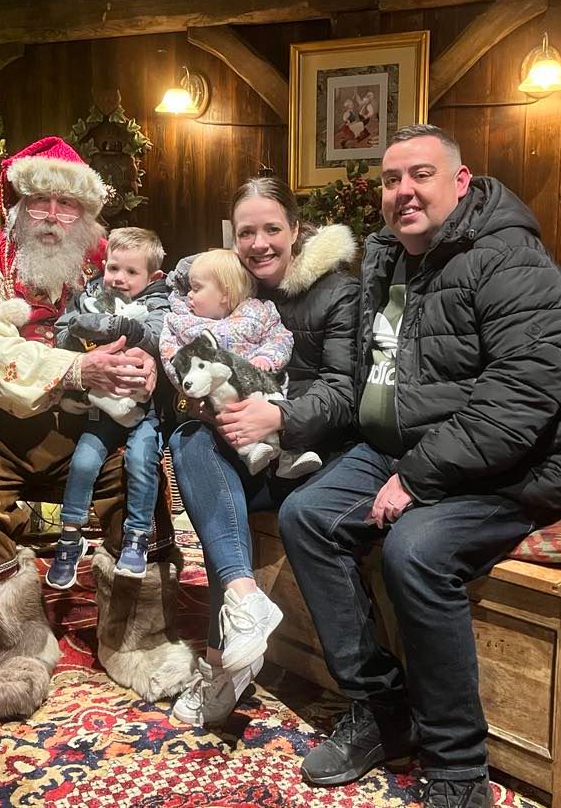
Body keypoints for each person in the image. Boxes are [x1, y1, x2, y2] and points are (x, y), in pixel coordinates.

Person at [278, 124, 561, 807]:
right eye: (391, 180)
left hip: (515, 464)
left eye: (421, 174)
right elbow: (366, 374)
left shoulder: (511, 261)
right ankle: (382, 706)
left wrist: (418, 478)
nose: (404, 191)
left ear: (461, 181)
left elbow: (521, 400)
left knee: (415, 551)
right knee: (306, 515)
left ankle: (457, 766)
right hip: (406, 448)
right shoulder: (387, 258)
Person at [0, 136, 193, 720]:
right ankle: (14, 651)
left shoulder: (109, 260)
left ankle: (137, 642)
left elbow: (168, 312)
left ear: (87, 213)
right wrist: (79, 368)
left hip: (90, 427)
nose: (53, 216)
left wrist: (152, 359)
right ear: (16, 203)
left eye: (68, 205)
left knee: (140, 479)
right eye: (39, 201)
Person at [167, 177, 360, 726]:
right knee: (190, 442)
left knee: (216, 502)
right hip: (249, 447)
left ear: (296, 230)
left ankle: (220, 666)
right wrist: (205, 405)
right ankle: (245, 599)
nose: (258, 244)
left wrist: (279, 417)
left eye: (272, 229)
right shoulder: (232, 287)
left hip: (312, 453)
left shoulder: (337, 292)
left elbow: (344, 392)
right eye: (246, 232)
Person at [51, 227, 170, 586]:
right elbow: (63, 333)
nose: (119, 278)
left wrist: (114, 326)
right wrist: (79, 332)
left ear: (153, 277)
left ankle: (137, 536)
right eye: (113, 268)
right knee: (83, 461)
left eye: (131, 272)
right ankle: (70, 535)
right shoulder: (89, 296)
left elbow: (158, 335)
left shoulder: (159, 302)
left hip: (146, 410)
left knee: (141, 461)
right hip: (101, 407)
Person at [159, 249, 321, 478]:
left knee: (277, 399)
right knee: (227, 415)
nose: (189, 297)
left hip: (259, 383)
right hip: (217, 391)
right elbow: (170, 355)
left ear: (225, 294)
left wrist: (267, 358)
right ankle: (250, 452)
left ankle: (289, 456)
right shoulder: (180, 321)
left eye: (196, 288)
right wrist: (190, 385)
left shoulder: (258, 311)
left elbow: (281, 337)